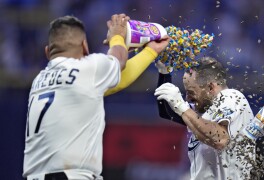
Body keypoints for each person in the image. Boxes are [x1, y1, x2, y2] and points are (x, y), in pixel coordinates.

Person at [23, 14, 169, 180]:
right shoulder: (87, 69)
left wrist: (150, 52)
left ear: (48, 52)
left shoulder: (39, 80)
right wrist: (117, 37)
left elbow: (115, 81)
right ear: (84, 46)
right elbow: (118, 61)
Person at [154, 57, 256, 180]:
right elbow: (167, 112)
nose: (187, 98)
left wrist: (181, 107)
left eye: (191, 92)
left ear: (211, 88)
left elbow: (220, 139)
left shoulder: (231, 97)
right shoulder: (206, 108)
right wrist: (164, 73)